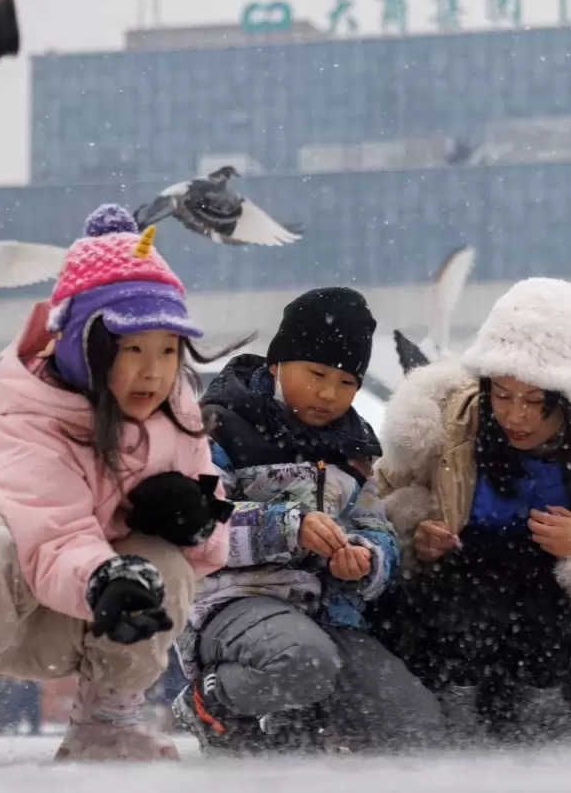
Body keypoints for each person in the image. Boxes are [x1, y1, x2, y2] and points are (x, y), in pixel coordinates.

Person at [0, 205, 232, 766]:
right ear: (87, 345)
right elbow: (52, 534)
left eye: (168, 350)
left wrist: (196, 521)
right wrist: (106, 576)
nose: (154, 371)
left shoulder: (178, 417)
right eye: (134, 349)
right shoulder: (31, 420)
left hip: (85, 623)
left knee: (166, 566)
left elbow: (212, 550)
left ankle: (107, 719)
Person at [374, 278, 571, 743]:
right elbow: (370, 515)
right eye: (501, 395)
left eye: (537, 402)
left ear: (569, 402)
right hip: (455, 637)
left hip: (559, 648)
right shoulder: (438, 427)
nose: (516, 415)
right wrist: (414, 538)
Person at [174, 287, 441, 753]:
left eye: (346, 382)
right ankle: (209, 700)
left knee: (412, 721)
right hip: (230, 604)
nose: (327, 393)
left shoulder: (354, 451)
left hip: (323, 614)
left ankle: (303, 714)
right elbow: (194, 524)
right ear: (276, 364)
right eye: (316, 373)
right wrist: (288, 526)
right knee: (303, 661)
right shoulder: (217, 426)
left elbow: (375, 526)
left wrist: (366, 559)